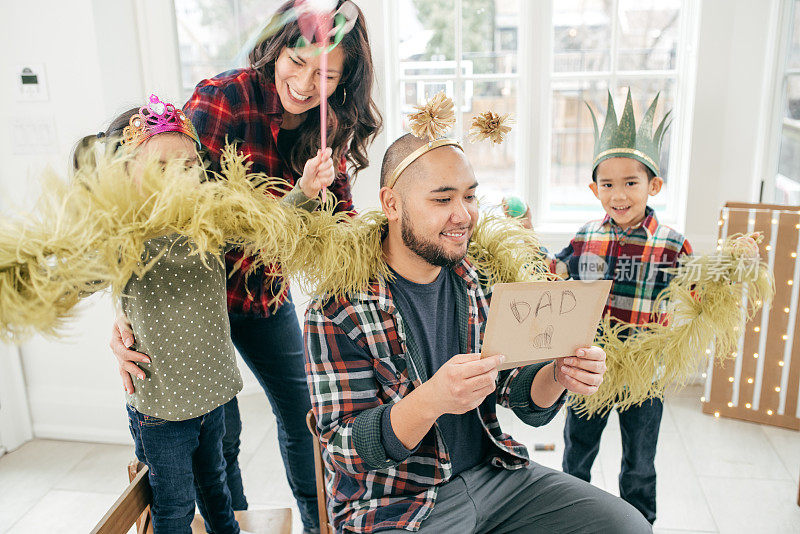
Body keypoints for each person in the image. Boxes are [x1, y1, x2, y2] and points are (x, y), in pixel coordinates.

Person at [109, 2, 381, 532]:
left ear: (344, 82)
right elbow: (144, 211)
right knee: (219, 436)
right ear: (276, 49)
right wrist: (122, 317)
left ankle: (317, 523)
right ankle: (228, 523)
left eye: (325, 75)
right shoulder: (223, 100)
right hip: (191, 300)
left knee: (306, 417)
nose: (304, 84)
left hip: (262, 297)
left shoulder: (332, 130)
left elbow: (341, 226)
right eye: (296, 62)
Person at [304, 131, 652, 533]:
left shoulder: (477, 277)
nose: (464, 215)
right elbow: (345, 450)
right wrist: (431, 399)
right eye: (442, 199)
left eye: (469, 196)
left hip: (495, 477)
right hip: (395, 504)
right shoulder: (337, 307)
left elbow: (519, 393)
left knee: (629, 528)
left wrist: (558, 375)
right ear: (391, 204)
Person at [552, 89, 692, 525]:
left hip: (644, 376)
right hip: (588, 365)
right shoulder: (586, 236)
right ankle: (572, 517)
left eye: (631, 182)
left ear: (654, 186)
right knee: (578, 450)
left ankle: (639, 523)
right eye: (608, 184)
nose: (619, 194)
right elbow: (553, 272)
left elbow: (698, 293)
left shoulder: (671, 243)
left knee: (639, 461)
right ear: (594, 189)